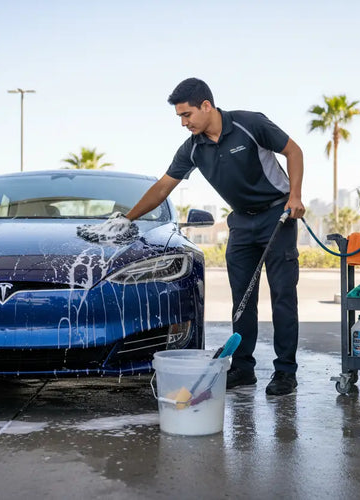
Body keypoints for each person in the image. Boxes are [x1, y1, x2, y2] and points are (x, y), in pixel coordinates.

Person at [124, 77, 305, 396]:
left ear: (206, 106)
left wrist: (295, 196)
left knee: (282, 297)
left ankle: (285, 372)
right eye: (180, 116)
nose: (183, 123)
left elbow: (294, 151)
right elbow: (163, 187)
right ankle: (243, 369)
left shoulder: (250, 124)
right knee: (243, 299)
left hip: (277, 216)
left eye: (187, 114)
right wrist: (127, 219)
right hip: (240, 223)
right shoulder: (193, 148)